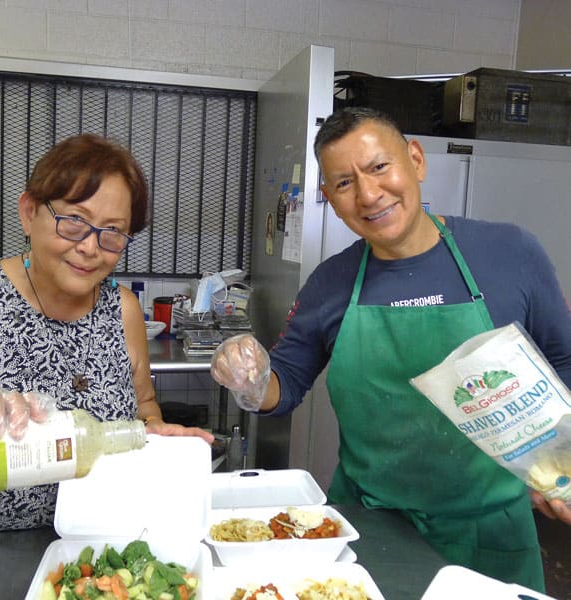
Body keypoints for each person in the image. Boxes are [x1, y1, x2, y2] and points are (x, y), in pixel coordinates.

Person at [211, 107, 571, 592]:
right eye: (343, 184)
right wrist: (251, 380)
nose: (368, 194)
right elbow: (286, 385)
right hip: (372, 525)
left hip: (493, 528)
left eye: (379, 167)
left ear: (416, 161)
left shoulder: (510, 253)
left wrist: (560, 462)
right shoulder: (331, 283)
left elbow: (562, 359)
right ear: (331, 201)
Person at [0, 133, 213, 599]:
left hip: (90, 563)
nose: (91, 247)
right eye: (74, 222)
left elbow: (142, 405)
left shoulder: (123, 310)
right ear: (29, 212)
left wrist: (152, 431)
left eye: (112, 232)